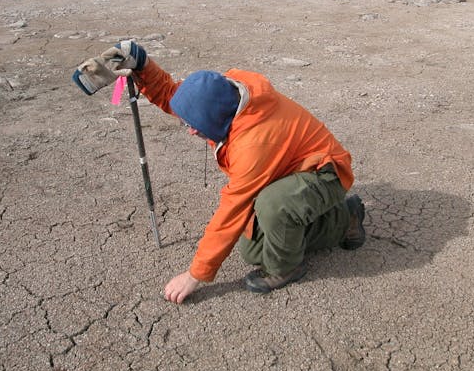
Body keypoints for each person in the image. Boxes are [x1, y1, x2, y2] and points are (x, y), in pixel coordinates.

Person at [77, 40, 365, 304]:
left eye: (195, 126)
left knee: (272, 207)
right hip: (284, 169)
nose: (190, 131)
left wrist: (195, 275)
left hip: (324, 173)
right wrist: (143, 65)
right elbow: (177, 98)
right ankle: (322, 219)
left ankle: (305, 251)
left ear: (215, 119)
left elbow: (231, 211)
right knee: (253, 251)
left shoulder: (253, 144)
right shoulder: (224, 98)